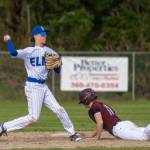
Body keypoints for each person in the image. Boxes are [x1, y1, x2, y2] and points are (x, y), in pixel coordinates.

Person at [1, 25, 81, 142]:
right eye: (42, 34)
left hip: (43, 86)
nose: (45, 36)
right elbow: (13, 52)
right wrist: (9, 40)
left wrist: (57, 65)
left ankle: (72, 133)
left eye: (45, 34)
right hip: (33, 86)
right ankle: (3, 127)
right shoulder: (29, 51)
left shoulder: (49, 51)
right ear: (36, 36)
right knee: (33, 117)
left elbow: (57, 71)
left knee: (59, 109)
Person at [78, 88, 150, 141]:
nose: (82, 104)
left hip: (119, 129)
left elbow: (100, 123)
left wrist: (97, 139)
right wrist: (91, 135)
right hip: (125, 124)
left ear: (86, 100)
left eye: (82, 102)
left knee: (144, 136)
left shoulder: (93, 108)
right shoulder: (99, 104)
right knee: (144, 132)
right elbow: (102, 124)